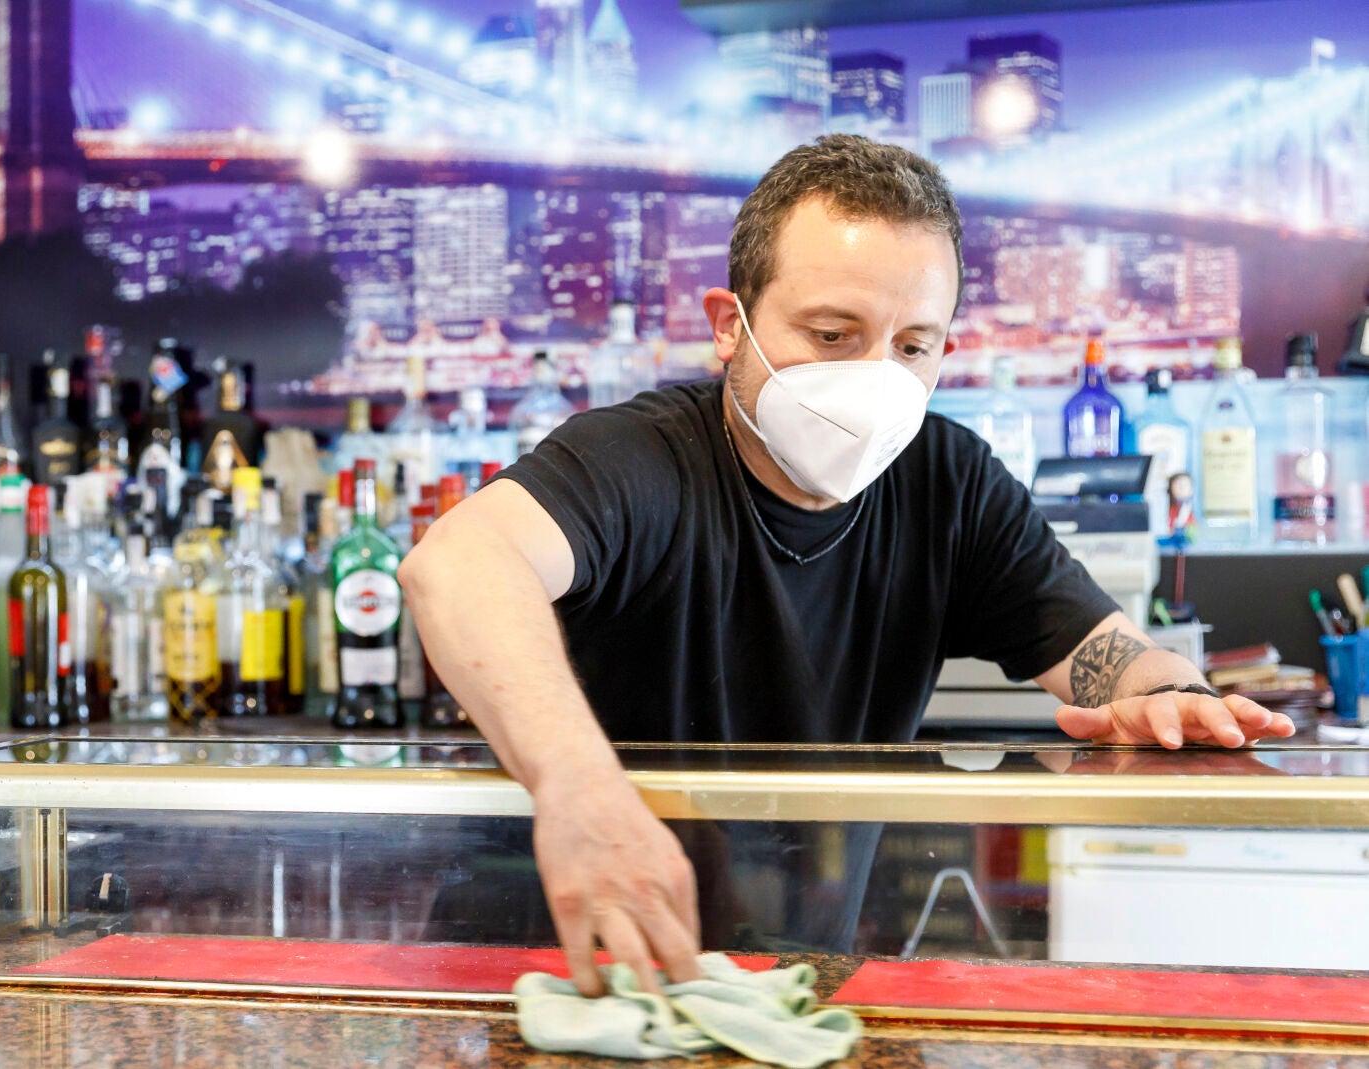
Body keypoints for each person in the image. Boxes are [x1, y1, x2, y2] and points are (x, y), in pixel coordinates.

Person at [399, 135, 1295, 998]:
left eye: (912, 346)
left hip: (783, 978)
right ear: (730, 326)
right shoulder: (640, 457)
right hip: (546, 969)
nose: (875, 378)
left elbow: (1110, 655)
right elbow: (459, 562)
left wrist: (1170, 695)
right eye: (832, 334)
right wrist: (581, 789)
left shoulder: (949, 483)